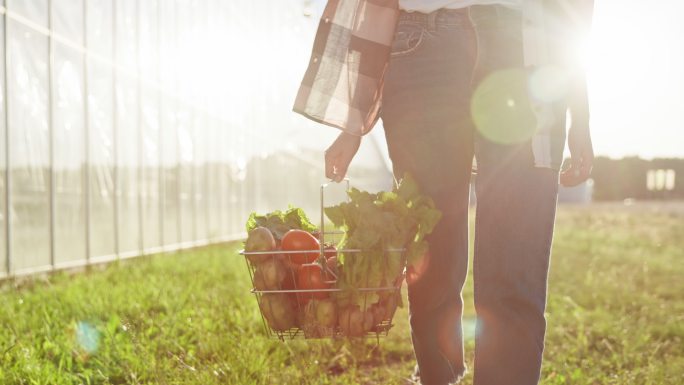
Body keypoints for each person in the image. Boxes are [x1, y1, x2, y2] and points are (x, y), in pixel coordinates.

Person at [294, 1, 594, 384]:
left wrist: (580, 111)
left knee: (514, 269)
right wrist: (355, 123)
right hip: (421, 47)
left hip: (524, 47)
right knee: (430, 264)